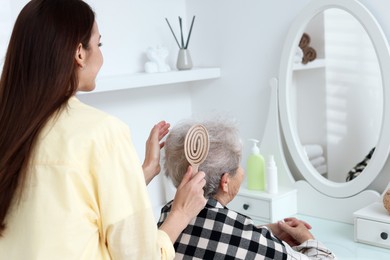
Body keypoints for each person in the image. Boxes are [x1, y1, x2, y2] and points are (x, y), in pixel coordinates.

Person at [0, 0, 206, 259]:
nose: (101, 54)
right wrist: (180, 214)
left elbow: (60, 207)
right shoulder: (102, 132)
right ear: (79, 53)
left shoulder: (10, 129)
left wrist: (141, 174)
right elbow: (139, 255)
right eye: (99, 44)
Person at [158, 117, 336, 259]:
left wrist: (263, 231)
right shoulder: (253, 243)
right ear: (225, 181)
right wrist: (307, 240)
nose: (242, 171)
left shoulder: (166, 219)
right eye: (239, 165)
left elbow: (210, 232)